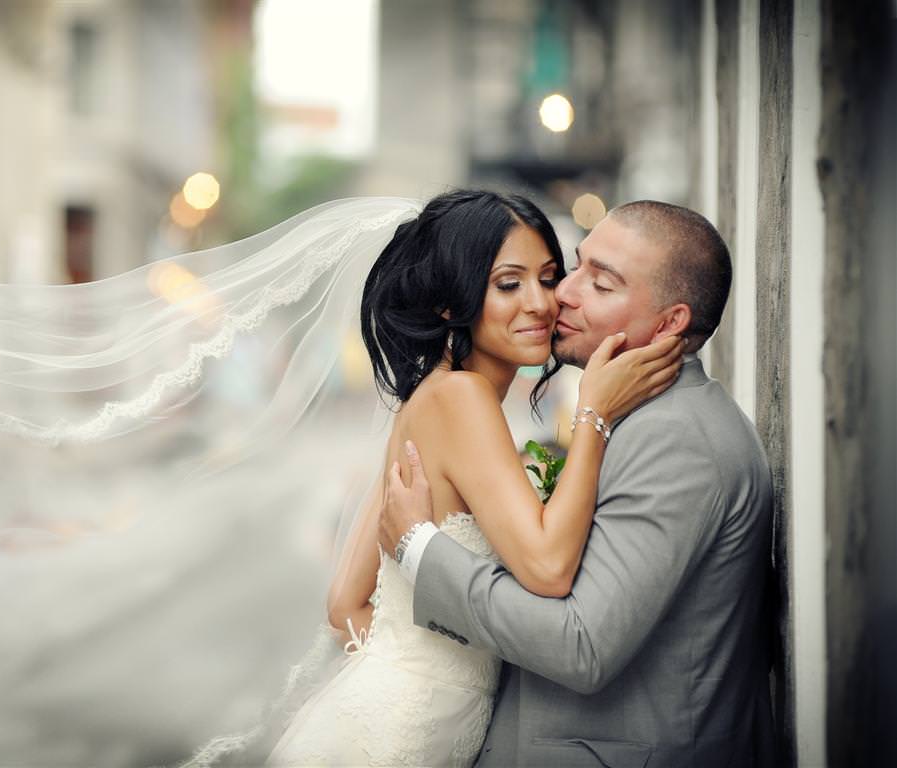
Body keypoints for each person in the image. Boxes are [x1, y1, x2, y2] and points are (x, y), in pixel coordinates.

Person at [267, 190, 683, 766]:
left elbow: (344, 603)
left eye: (547, 277)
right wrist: (595, 414)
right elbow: (547, 567)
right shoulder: (461, 398)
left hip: (397, 725)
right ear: (449, 303)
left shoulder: (434, 395)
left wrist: (417, 674)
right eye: (508, 284)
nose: (540, 303)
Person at [380, 200, 776, 767]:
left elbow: (581, 645)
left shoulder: (677, 440)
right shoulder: (632, 417)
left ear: (670, 324)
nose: (562, 294)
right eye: (577, 266)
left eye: (602, 284)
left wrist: (421, 551)